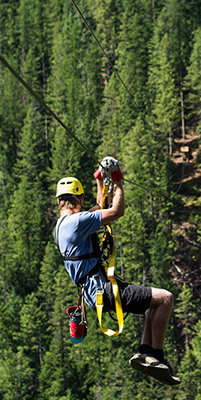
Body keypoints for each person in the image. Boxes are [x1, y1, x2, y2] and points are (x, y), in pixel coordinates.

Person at [54, 159, 180, 386]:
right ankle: (156, 356)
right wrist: (118, 180)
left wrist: (101, 179)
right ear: (78, 200)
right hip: (102, 290)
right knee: (166, 298)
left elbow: (99, 209)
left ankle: (145, 353)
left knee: (155, 302)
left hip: (96, 293)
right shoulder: (77, 222)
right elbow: (115, 211)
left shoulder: (62, 227)